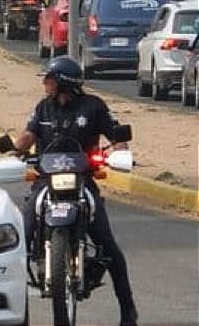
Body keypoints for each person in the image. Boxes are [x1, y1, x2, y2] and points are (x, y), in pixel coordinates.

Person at [11, 56, 137, 326]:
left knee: (108, 245)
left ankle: (128, 310)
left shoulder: (94, 107)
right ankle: (14, 309)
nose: (46, 84)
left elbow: (116, 135)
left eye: (51, 79)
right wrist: (14, 150)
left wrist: (119, 152)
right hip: (46, 180)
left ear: (65, 83)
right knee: (22, 234)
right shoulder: (43, 108)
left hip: (82, 180)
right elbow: (28, 136)